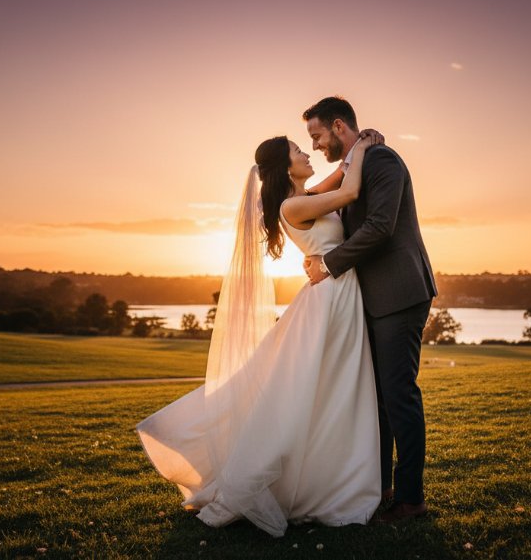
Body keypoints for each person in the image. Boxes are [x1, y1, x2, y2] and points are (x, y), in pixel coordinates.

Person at [136, 129, 385, 537]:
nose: (307, 152)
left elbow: (339, 176)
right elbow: (352, 188)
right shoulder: (292, 206)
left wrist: (353, 147)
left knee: (331, 389)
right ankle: (322, 482)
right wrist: (362, 146)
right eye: (298, 150)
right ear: (285, 166)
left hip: (336, 295)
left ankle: (334, 474)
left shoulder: (305, 195)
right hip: (330, 300)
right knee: (318, 388)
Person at [302, 96, 438, 522]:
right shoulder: (357, 164)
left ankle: (411, 499)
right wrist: (352, 153)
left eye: (317, 135)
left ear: (338, 125)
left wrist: (328, 263)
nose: (316, 145)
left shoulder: (383, 161)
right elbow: (310, 195)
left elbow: (381, 227)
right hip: (373, 298)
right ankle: (378, 489)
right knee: (376, 400)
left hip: (399, 293)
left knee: (398, 396)